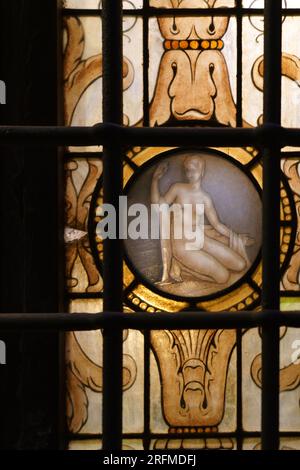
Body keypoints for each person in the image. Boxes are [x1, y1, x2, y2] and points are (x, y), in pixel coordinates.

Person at [151, 156, 253, 286]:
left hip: (201, 239)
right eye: (188, 170)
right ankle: (183, 267)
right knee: (223, 276)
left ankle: (195, 264)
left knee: (240, 264)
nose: (190, 174)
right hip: (183, 246)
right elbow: (158, 205)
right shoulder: (178, 188)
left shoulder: (205, 198)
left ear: (202, 171)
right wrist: (155, 179)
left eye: (194, 170)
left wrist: (236, 237)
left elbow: (217, 225)